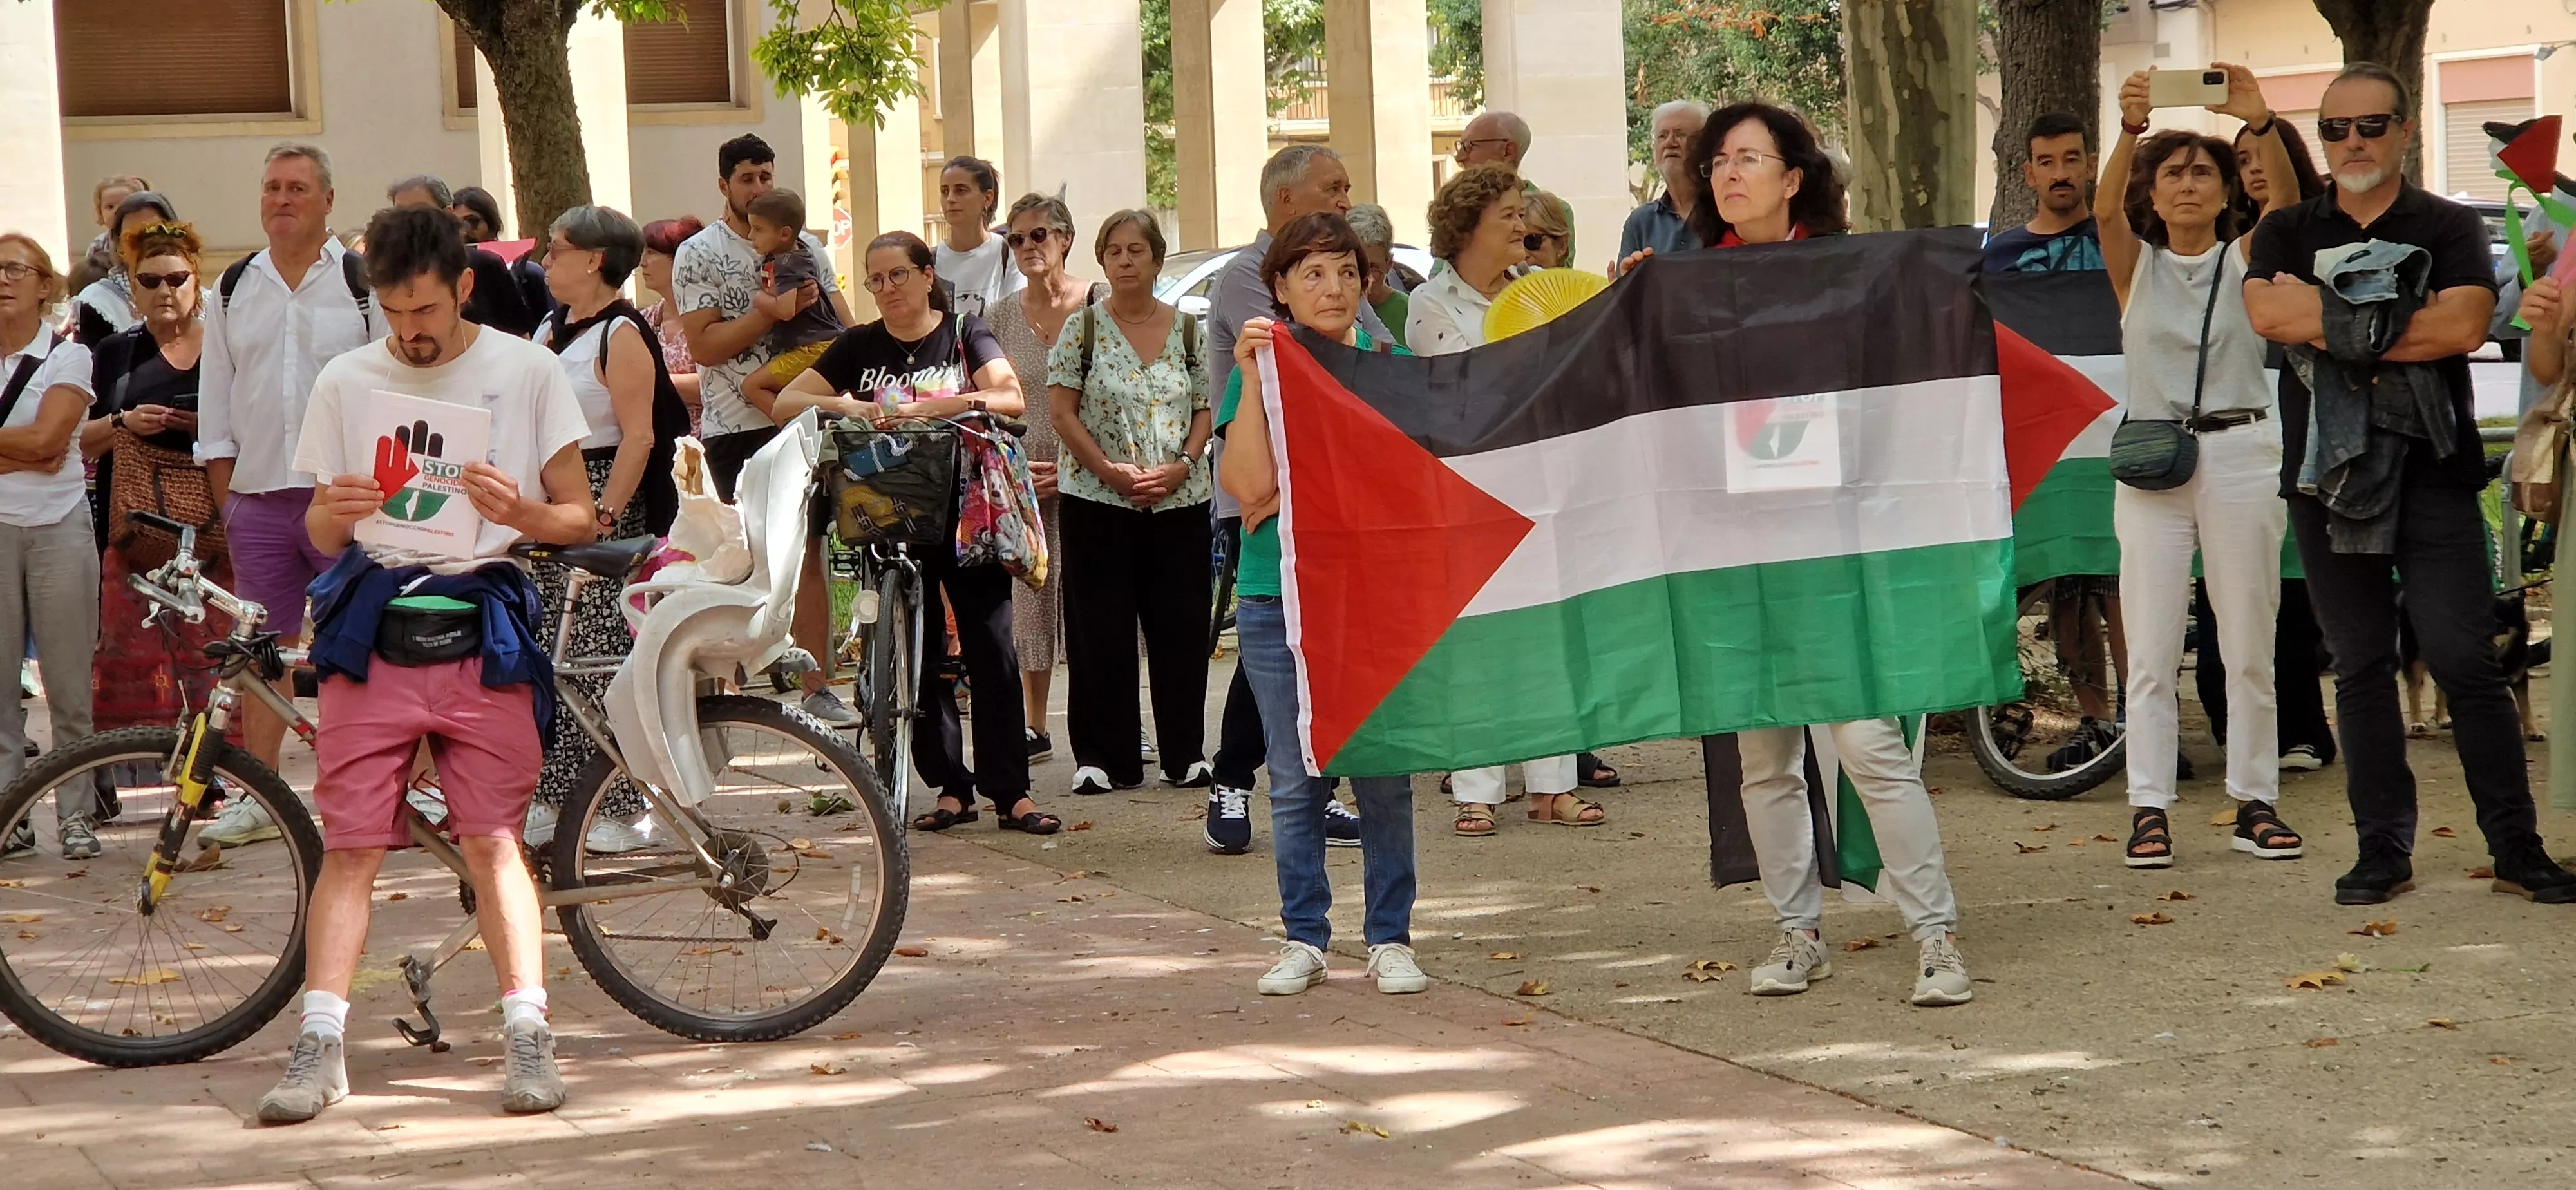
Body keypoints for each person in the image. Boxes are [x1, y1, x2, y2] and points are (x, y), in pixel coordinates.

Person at [256, 203, 595, 1125]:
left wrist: (519, 513)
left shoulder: (526, 370)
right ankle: (320, 1044)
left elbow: (579, 518)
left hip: (484, 622)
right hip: (374, 628)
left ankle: (529, 1033)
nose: (411, 333)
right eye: (395, 314)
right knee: (352, 846)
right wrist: (340, 507)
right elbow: (322, 532)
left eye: (428, 314)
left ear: (465, 289)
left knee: (492, 844)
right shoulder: (346, 378)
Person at [2245, 62, 2576, 906]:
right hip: (2324, 478)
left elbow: (2463, 327)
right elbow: (2269, 318)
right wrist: (2402, 324)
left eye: (2370, 126)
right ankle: (2381, 850)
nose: (2352, 141)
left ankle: (2517, 847)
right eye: (2334, 129)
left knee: (2467, 662)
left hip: (2435, 472)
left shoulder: (2447, 226)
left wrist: (2329, 321)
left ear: (2403, 132)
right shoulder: (2285, 230)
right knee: (2360, 665)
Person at [1676, 100, 1972, 1006]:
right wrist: (1635, 303)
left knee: (1869, 744)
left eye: (1749, 158)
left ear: (1794, 177)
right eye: (1717, 161)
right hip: (1734, 549)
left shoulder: (1848, 276)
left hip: (1834, 545)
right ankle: (1796, 933)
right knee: (1762, 758)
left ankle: (1937, 936)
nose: (1729, 174)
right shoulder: (1682, 287)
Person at [777, 232, 1060, 838]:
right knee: (918, 650)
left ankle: (1011, 792)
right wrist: (852, 408)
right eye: (874, 280)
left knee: (991, 645)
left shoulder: (965, 331)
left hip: (965, 512)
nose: (886, 290)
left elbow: (1010, 396)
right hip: (888, 511)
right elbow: (786, 400)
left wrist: (929, 408)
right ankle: (951, 787)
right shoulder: (859, 344)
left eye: (897, 275)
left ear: (927, 275)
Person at [2095, 65, 2306, 869]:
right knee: (2148, 649)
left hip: (2241, 452)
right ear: (2156, 192)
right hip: (2154, 463)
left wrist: (2257, 125)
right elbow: (2105, 207)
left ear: (2226, 194)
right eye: (2173, 173)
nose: (2186, 185)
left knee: (2248, 638)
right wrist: (2129, 133)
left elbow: (2286, 207)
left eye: (2202, 173)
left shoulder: (2247, 258)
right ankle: (2148, 806)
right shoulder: (2135, 263)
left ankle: (2256, 799)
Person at [1217, 212, 1424, 996]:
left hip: (1372, 595)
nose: (1332, 288)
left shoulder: (1389, 362)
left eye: (1345, 272)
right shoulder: (1261, 369)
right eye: (1311, 274)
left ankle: (1390, 937)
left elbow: (1403, 484)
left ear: (1365, 281)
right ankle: (1302, 936)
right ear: (1280, 288)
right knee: (1294, 770)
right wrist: (1258, 386)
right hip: (1276, 594)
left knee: (1381, 768)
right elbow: (1248, 489)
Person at [1197, 144, 1392, 851]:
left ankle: (1317, 789)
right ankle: (1232, 776)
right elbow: (1307, 366)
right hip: (1264, 506)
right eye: (1332, 189)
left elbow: (1372, 359)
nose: (1345, 200)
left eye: (1345, 273)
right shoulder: (1247, 279)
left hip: (1324, 510)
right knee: (1270, 656)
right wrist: (1284, 485)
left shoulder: (1338, 287)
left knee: (1319, 658)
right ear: (1286, 200)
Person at [197, 142, 383, 848]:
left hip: (342, 499)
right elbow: (215, 400)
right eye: (272, 187)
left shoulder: (362, 282)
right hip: (259, 498)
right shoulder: (233, 285)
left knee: (365, 641)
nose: (281, 199)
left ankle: (379, 790)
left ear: (328, 200)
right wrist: (229, 498)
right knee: (261, 652)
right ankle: (261, 796)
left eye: (297, 188)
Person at [1406, 165, 1599, 836]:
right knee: (1478, 640)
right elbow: (1461, 393)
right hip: (1470, 492)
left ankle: (1553, 785)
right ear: (1469, 226)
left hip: (1543, 482)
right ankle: (1476, 788)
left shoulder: (1542, 292)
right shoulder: (1432, 303)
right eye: (1512, 215)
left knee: (1550, 633)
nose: (1526, 227)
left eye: (1526, 214)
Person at [672, 133, 858, 724]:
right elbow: (702, 344)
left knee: (806, 553)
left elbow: (844, 328)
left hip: (804, 420)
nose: (758, 189)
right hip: (733, 424)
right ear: (724, 184)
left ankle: (815, 685)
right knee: (740, 559)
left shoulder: (807, 247)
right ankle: (729, 697)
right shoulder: (698, 252)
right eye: (747, 178)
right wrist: (764, 314)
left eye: (766, 177)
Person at [525, 205, 688, 848]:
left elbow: (640, 435)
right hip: (551, 494)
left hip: (601, 502)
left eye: (557, 249)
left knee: (599, 661)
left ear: (595, 259)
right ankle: (555, 793)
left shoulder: (619, 334)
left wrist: (603, 518)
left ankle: (622, 805)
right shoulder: (549, 325)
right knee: (551, 657)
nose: (545, 261)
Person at [1048, 210, 1213, 797]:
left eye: (1136, 250)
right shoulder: (1082, 330)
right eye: (1114, 251)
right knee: (1100, 628)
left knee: (1182, 627)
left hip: (1180, 500)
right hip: (1098, 500)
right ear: (1101, 260)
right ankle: (1102, 756)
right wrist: (1108, 471)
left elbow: (1204, 407)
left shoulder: (1190, 330)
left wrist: (1184, 465)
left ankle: (1185, 754)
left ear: (1156, 259)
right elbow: (1062, 411)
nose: (1124, 260)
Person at [2201, 111, 2336, 776]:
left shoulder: (2305, 228)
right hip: (2220, 430)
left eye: (2265, 154)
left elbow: (2286, 200)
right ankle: (2234, 731)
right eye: (2240, 157)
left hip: (2296, 406)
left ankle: (2303, 728)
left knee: (2286, 576)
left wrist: (2258, 115)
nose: (2251, 168)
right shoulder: (2221, 242)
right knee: (2223, 588)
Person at [82, 220, 225, 751]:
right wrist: (125, 423)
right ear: (133, 289)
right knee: (131, 647)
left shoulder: (226, 346)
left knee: (213, 646)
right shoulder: (114, 354)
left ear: (196, 280)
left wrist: (205, 427)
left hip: (212, 522)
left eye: (177, 278)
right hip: (134, 522)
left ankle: (217, 770)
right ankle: (136, 765)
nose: (165, 291)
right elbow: (82, 441)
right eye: (150, 281)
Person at [0, 234, 101, 860]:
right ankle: (10, 817)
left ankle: (77, 816)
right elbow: (34, 446)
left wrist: (34, 446)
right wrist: (28, 446)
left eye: (15, 268)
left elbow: (50, 444)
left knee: (68, 685)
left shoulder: (71, 357)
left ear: (46, 285)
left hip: (60, 526)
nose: (2, 279)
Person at [987, 193, 1098, 761]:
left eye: (1039, 235)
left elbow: (1118, 397)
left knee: (1095, 600)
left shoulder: (1098, 303)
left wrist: (1083, 465)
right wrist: (1014, 464)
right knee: (1029, 595)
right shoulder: (999, 316)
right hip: (1023, 471)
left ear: (1066, 239)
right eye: (1016, 238)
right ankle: (1035, 727)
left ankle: (1110, 721)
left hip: (1094, 474)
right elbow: (989, 400)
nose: (1027, 246)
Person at [735, 189, 848, 415]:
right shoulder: (795, 253)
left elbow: (785, 310)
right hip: (820, 344)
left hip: (814, 347)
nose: (750, 236)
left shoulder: (787, 264)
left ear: (785, 234)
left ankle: (792, 431)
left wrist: (759, 299)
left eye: (758, 229)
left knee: (752, 386)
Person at [390, 175, 539, 337]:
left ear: (447, 213)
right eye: (400, 214)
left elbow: (519, 336)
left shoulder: (484, 265)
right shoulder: (388, 269)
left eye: (419, 212)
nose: (407, 222)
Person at [1984, 113, 2107, 274]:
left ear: (2090, 167)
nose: (2060, 175)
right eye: (2046, 163)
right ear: (2030, 174)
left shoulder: (2118, 245)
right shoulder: (2000, 255)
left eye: (2071, 160)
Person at [1452, 109, 1574, 266]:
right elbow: (1440, 278)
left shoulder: (1557, 211)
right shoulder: (1459, 210)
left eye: (1469, 146)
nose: (1459, 157)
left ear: (1508, 151)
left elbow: (1562, 284)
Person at [70, 189, 181, 345]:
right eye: (132, 235)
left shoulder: (201, 298)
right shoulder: (100, 301)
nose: (145, 242)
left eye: (154, 231)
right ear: (118, 242)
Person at [1618, 100, 1709, 267]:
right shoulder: (1640, 223)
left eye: (1681, 135)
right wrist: (1622, 284)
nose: (1670, 142)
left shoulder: (1726, 212)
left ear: (1704, 145)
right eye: (1662, 136)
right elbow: (1625, 289)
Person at [933, 156, 1023, 321]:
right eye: (945, 191)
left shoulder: (1009, 253)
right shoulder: (931, 261)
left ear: (988, 198)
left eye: (961, 190)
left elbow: (1018, 316)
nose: (950, 199)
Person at [638, 216, 705, 432]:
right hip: (661, 444)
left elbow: (716, 386)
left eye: (653, 253)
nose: (643, 262)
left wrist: (651, 383)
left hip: (705, 443)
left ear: (680, 259)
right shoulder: (647, 319)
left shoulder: (708, 315)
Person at [451, 185, 551, 325]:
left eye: (472, 222)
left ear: (492, 224)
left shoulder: (530, 274)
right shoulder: (446, 277)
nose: (464, 232)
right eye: (457, 225)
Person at [68, 174, 149, 299]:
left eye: (124, 205)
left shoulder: (148, 241)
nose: (117, 212)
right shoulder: (98, 245)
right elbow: (89, 277)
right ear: (100, 212)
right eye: (110, 207)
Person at [1345, 203, 1409, 348]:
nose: (1367, 279)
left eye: (1374, 268)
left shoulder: (1410, 312)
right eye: (1355, 267)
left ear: (1389, 264)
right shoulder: (1334, 308)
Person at [1524, 189, 1574, 270]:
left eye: (1532, 241)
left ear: (1562, 245)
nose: (1522, 254)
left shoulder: (1580, 282)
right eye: (1516, 242)